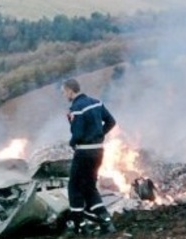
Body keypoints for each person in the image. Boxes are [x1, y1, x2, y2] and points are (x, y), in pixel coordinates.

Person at [61, 78, 117, 235]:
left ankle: (80, 226)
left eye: (64, 92)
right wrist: (99, 135)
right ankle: (106, 222)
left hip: (84, 152)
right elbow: (111, 121)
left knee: (74, 187)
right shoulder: (96, 102)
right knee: (89, 187)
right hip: (98, 151)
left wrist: (72, 142)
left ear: (70, 90)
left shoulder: (76, 108)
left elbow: (77, 134)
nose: (64, 95)